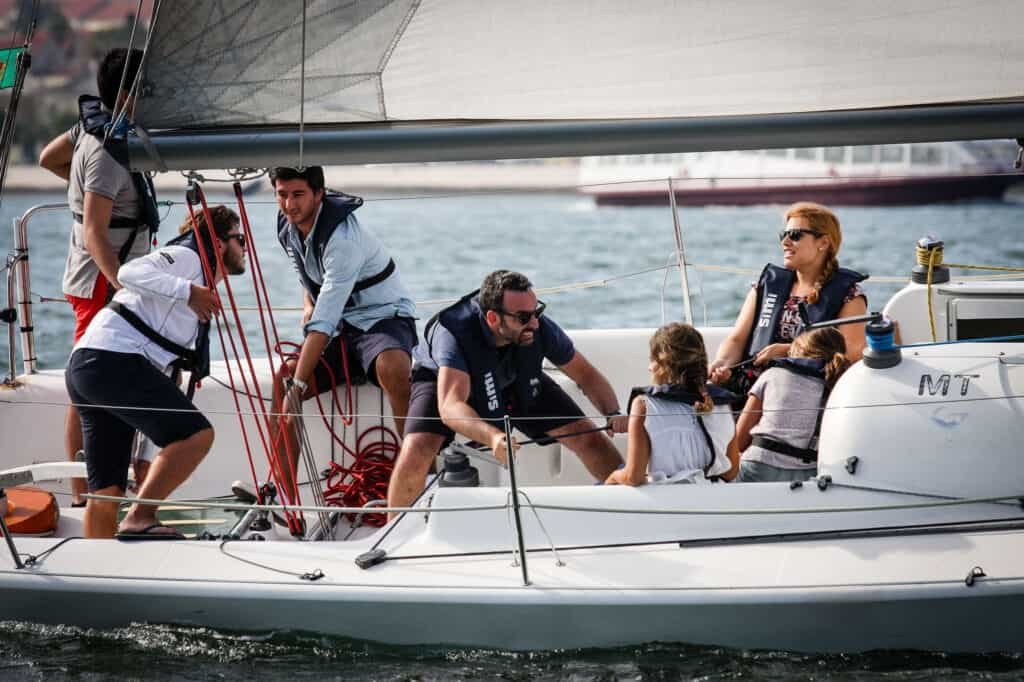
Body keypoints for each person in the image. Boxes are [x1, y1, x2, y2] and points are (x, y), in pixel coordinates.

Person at [64, 205, 245, 538]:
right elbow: (128, 273)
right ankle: (140, 517)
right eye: (241, 239)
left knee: (106, 492)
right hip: (112, 359)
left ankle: (95, 573)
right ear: (219, 242)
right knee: (196, 436)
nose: (245, 248)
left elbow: (165, 373)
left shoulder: (200, 284)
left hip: (91, 366)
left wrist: (146, 454)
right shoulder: (188, 259)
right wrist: (187, 291)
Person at [387, 270, 627, 512]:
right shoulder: (453, 334)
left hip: (514, 378)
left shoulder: (539, 328)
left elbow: (585, 374)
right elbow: (450, 405)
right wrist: (492, 436)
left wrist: (612, 411)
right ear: (493, 318)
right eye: (523, 317)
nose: (534, 323)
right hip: (447, 381)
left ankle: (625, 508)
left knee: (589, 437)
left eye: (537, 312)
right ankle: (391, 535)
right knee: (416, 450)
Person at [48, 48, 160, 507]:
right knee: (87, 384)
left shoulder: (92, 129)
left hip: (97, 276)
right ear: (129, 94)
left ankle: (96, 487)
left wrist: (83, 191)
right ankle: (83, 493)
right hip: (100, 281)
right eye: (148, 89)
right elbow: (95, 232)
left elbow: (48, 156)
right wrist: (123, 287)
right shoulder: (106, 153)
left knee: (99, 379)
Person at [268, 166, 417, 504]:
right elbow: (307, 279)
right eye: (282, 194)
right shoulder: (287, 227)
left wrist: (301, 386)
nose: (289, 204)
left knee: (394, 367)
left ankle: (422, 477)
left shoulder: (343, 241)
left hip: (382, 320)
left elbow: (323, 321)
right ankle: (284, 497)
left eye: (298, 194)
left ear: (319, 194)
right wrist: (307, 300)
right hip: (340, 328)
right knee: (283, 378)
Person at [709, 202, 866, 395]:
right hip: (752, 389)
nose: (785, 242)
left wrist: (788, 350)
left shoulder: (849, 295)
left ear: (823, 243)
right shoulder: (764, 287)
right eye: (784, 235)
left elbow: (850, 353)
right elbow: (737, 339)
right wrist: (722, 364)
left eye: (795, 235)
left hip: (805, 393)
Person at [606, 323, 737, 486]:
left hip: (667, 503)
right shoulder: (723, 404)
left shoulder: (643, 405)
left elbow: (634, 477)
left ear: (662, 365)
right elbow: (731, 472)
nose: (649, 368)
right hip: (716, 497)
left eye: (651, 360)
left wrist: (612, 478)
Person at [733, 326, 850, 483]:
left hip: (760, 466)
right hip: (809, 473)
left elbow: (739, 440)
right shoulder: (839, 386)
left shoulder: (772, 375)